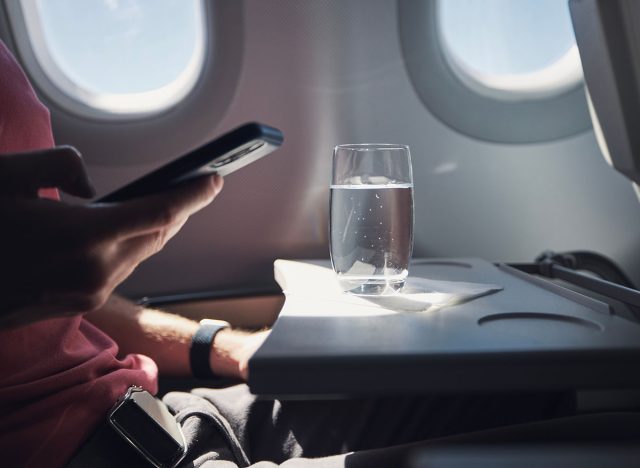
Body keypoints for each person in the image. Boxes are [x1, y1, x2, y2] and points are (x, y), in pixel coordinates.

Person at [0, 39, 571, 468]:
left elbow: (62, 310)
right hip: (90, 452)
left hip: (161, 418)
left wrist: (233, 348)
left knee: (528, 383)